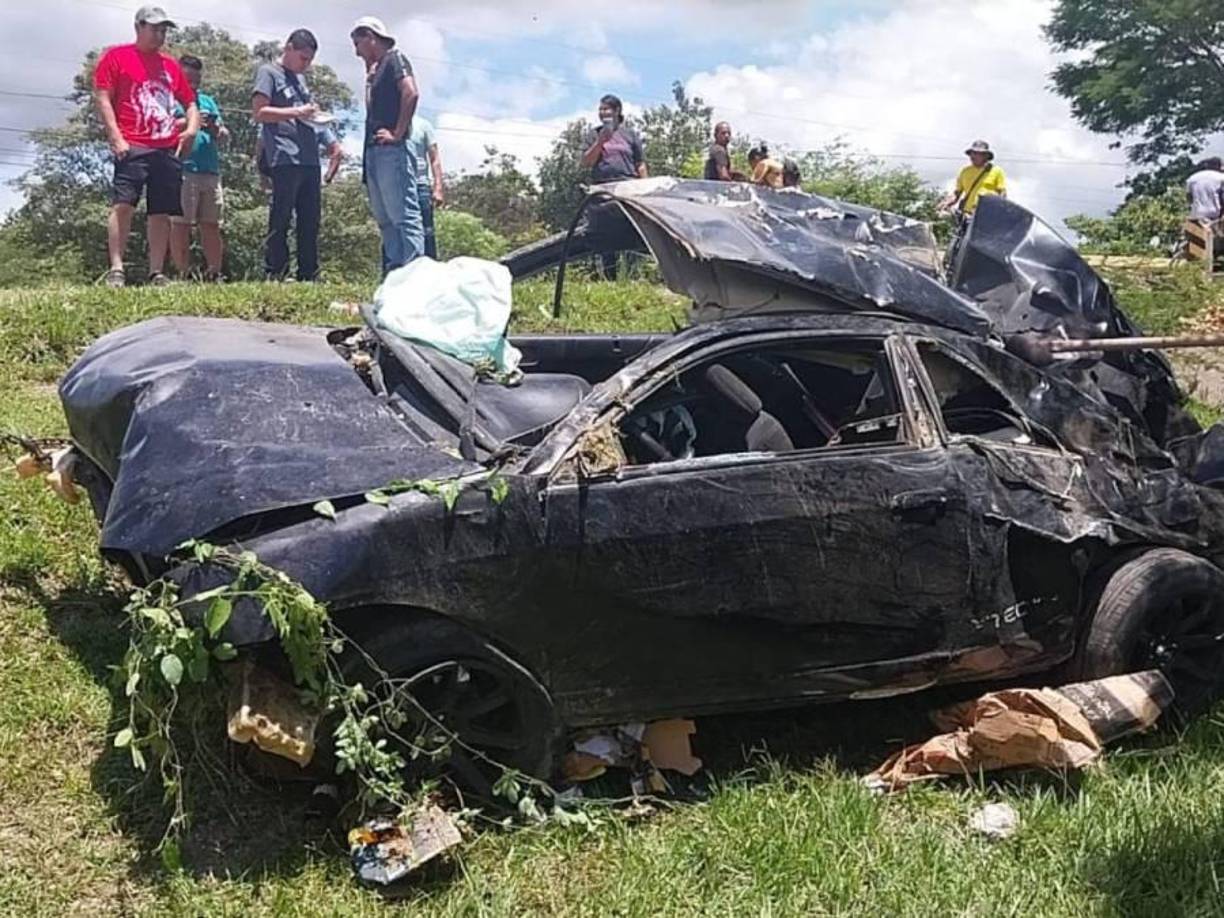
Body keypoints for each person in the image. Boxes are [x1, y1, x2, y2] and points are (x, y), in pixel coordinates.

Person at [93, 5, 198, 288]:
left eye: (164, 30)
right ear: (139, 27)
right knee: (124, 204)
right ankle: (116, 268)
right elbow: (103, 97)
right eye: (155, 29)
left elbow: (189, 101)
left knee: (161, 211)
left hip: (165, 146)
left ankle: (156, 271)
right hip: (132, 142)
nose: (160, 35)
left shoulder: (170, 65)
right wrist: (115, 137)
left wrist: (191, 128)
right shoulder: (117, 57)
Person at [252, 28, 341, 281]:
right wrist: (296, 112)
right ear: (288, 48)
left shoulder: (301, 80)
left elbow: (311, 118)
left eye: (310, 60)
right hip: (284, 155)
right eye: (303, 58)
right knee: (281, 217)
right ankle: (276, 272)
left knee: (310, 219)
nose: (306, 64)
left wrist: (331, 142)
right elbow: (259, 112)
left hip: (310, 158)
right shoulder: (268, 72)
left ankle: (309, 274)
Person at [352, 16, 424, 276]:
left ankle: (415, 273)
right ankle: (395, 273)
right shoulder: (376, 69)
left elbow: (411, 92)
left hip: (391, 150)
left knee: (403, 215)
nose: (356, 51)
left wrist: (398, 132)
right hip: (373, 150)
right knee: (385, 219)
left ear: (370, 37)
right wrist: (369, 79)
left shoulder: (395, 59)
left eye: (357, 43)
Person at [170, 54, 227, 281]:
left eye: (196, 79)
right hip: (183, 169)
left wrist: (213, 126)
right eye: (188, 79)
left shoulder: (208, 101)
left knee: (211, 224)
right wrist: (188, 121)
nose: (193, 84)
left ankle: (215, 272)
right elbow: (163, 127)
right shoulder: (170, 100)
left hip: (210, 171)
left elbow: (223, 134)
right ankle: (182, 273)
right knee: (181, 224)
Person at [580, 94, 646, 278]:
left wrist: (645, 187)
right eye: (600, 109)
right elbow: (586, 162)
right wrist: (601, 141)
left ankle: (633, 275)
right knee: (606, 231)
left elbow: (640, 163)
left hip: (628, 188)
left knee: (631, 228)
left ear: (617, 111)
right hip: (603, 190)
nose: (602, 113)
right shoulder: (594, 134)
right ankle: (610, 276)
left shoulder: (630, 135)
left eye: (606, 109)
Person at [408, 116, 445, 259]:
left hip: (420, 185)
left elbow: (434, 158)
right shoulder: (389, 124)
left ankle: (430, 269)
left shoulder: (423, 125)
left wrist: (438, 188)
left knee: (427, 231)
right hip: (397, 187)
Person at [939, 140, 1007, 216]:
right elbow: (957, 193)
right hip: (967, 214)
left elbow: (1002, 194)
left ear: (985, 156)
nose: (972, 156)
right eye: (971, 153)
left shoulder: (996, 171)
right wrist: (947, 202)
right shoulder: (965, 171)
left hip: (987, 214)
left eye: (976, 153)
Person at [1187, 157, 1224, 224]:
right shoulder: (1221, 178)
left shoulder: (1192, 178)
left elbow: (1189, 198)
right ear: (1218, 167)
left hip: (1196, 216)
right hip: (1216, 216)